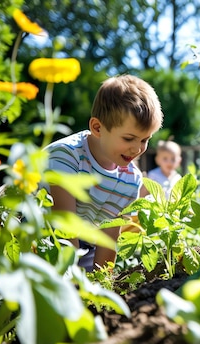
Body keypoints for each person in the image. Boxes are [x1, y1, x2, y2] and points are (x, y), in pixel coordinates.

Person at [46, 74, 163, 272]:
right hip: (40, 238)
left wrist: (101, 283)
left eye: (144, 140)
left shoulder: (130, 179)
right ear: (97, 128)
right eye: (128, 139)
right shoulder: (66, 156)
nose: (137, 149)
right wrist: (73, 282)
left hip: (82, 245)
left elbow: (108, 238)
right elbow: (64, 224)